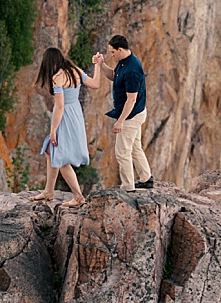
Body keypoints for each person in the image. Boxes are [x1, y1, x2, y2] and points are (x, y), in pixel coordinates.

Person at [36, 45, 104, 205]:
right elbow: (95, 84)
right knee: (50, 150)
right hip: (76, 114)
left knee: (60, 156)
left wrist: (53, 130)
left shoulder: (57, 77)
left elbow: (60, 106)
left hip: (65, 116)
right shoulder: (75, 70)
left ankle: (78, 196)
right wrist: (97, 66)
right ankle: (48, 192)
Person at [106, 34, 153, 190]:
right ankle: (146, 178)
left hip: (131, 115)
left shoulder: (132, 69)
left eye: (113, 52)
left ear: (120, 50)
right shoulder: (124, 62)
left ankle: (128, 186)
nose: (111, 55)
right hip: (136, 113)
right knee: (134, 147)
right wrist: (100, 65)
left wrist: (120, 121)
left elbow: (131, 100)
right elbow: (114, 76)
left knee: (122, 152)